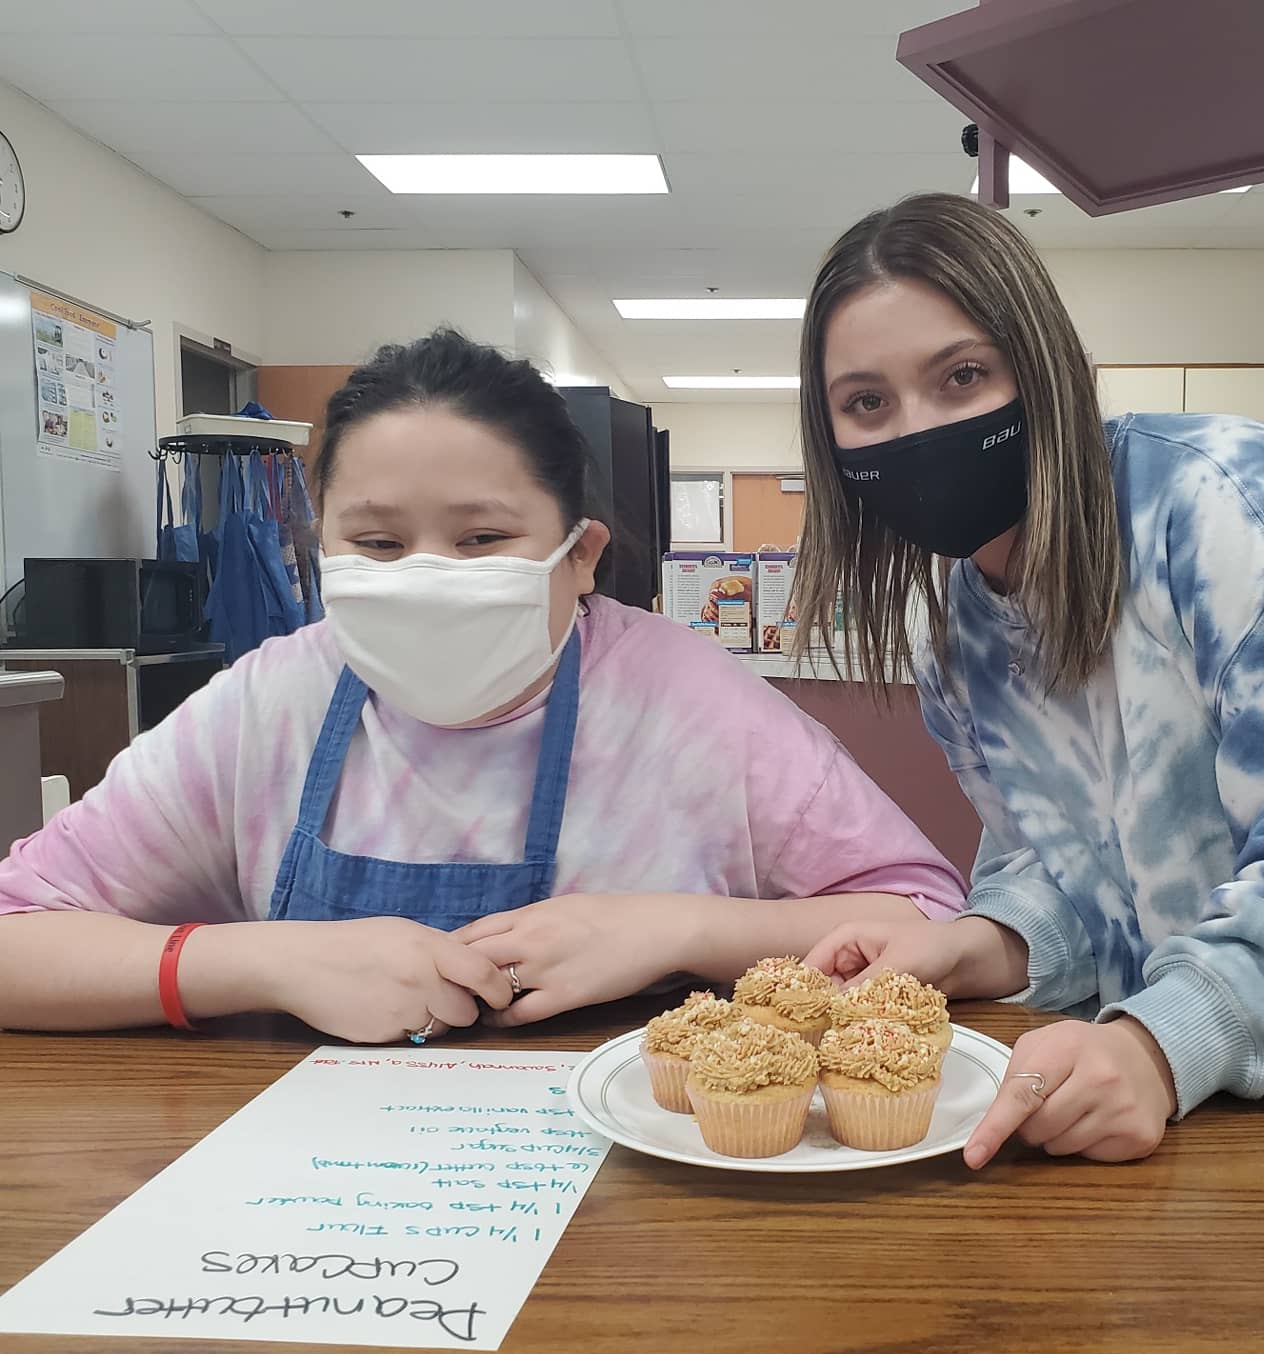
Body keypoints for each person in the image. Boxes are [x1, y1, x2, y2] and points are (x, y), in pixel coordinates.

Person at [0, 330, 966, 1045]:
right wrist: (260, 960)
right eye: (378, 542)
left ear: (580, 555)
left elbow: (926, 917)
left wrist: (682, 928)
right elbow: (18, 938)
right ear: (321, 548)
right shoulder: (265, 707)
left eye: (481, 539)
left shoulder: (695, 708)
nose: (427, 575)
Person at [792, 193, 1264, 1225]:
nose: (918, 430)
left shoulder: (1226, 507)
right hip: (1198, 1135)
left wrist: (1160, 1042)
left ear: (1042, 369)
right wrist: (978, 943)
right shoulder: (955, 631)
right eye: (867, 403)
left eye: (963, 377)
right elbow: (1061, 873)